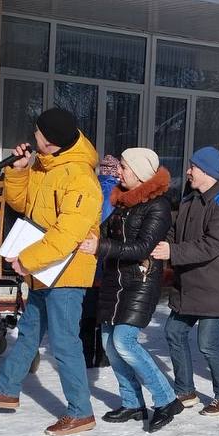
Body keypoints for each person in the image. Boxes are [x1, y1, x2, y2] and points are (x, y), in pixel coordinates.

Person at [0, 108, 103, 436]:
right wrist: (18, 171)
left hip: (66, 273)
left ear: (51, 141)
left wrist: (28, 259)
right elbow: (22, 205)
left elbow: (67, 234)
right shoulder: (46, 164)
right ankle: (7, 390)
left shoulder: (80, 178)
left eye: (38, 133)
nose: (34, 136)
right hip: (44, 269)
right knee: (29, 332)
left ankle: (81, 412)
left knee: (64, 342)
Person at [80, 147, 183, 433]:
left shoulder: (158, 206)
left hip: (140, 282)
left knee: (124, 342)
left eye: (124, 167)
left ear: (139, 172)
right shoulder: (123, 201)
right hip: (114, 282)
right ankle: (132, 402)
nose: (119, 171)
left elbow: (142, 248)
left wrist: (99, 247)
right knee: (109, 344)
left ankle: (167, 400)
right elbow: (103, 231)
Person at [151, 146, 219, 417]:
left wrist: (173, 252)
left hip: (214, 287)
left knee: (208, 344)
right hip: (188, 283)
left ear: (208, 172)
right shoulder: (191, 199)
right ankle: (185, 391)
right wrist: (162, 247)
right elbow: (174, 231)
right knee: (174, 332)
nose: (188, 171)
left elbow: (211, 245)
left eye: (193, 167)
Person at [80, 154, 122, 368]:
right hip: (109, 261)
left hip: (88, 259)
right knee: (105, 313)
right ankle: (103, 357)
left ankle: (86, 356)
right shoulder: (119, 195)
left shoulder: (92, 189)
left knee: (87, 313)